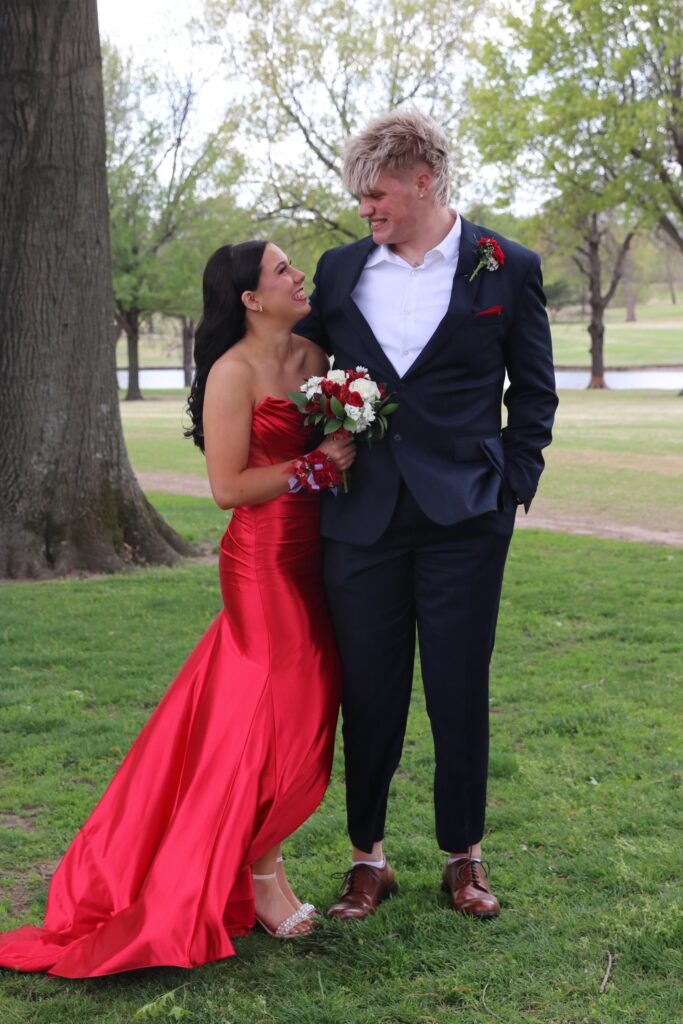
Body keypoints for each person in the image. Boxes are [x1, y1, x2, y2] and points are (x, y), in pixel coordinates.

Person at [0, 240, 354, 977]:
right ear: (251, 299)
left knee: (301, 714)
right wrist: (314, 466)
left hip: (318, 557)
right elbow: (227, 488)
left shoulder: (317, 355)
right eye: (282, 270)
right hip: (262, 565)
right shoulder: (232, 372)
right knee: (282, 720)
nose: (299, 276)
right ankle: (261, 875)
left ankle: (254, 857)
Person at [296, 108, 558, 920]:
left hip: (466, 519)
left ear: (424, 180)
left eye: (375, 194)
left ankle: (463, 857)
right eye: (358, 196)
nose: (364, 208)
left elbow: (534, 393)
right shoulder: (339, 270)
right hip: (360, 520)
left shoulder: (506, 267)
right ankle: (366, 859)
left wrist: (509, 484)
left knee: (457, 688)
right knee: (368, 692)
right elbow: (292, 360)